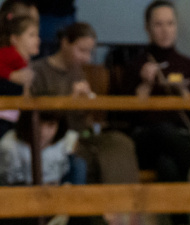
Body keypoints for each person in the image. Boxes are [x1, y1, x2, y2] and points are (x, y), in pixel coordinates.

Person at [29, 21, 140, 185]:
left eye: (90, 52)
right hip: (56, 139)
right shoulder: (38, 71)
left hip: (83, 134)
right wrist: (70, 100)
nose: (86, 58)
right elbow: (40, 115)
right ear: (65, 43)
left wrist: (88, 104)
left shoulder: (78, 72)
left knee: (120, 142)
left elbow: (85, 120)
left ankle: (124, 199)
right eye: (82, 50)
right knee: (83, 153)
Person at [117, 0, 190, 184]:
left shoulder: (188, 65)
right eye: (158, 24)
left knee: (167, 166)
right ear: (147, 28)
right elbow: (123, 116)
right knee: (162, 130)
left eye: (170, 24)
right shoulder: (135, 66)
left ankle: (186, 204)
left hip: (179, 138)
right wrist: (144, 85)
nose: (165, 30)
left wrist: (184, 94)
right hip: (146, 139)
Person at [0, 12, 39, 136]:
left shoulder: (26, 63)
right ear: (15, 39)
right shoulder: (9, 54)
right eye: (31, 35)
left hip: (13, 118)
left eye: (37, 35)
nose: (37, 40)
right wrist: (10, 75)